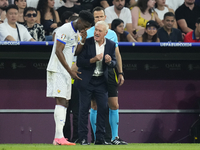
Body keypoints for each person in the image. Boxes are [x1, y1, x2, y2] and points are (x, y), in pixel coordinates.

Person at [46, 10, 94, 145]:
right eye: (85, 25)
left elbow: (75, 52)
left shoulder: (76, 32)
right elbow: (58, 50)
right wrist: (69, 70)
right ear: (79, 21)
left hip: (66, 72)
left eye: (88, 26)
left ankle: (59, 137)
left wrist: (82, 41)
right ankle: (58, 137)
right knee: (61, 101)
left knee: (65, 102)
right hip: (58, 70)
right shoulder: (65, 29)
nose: (86, 28)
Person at [85, 6, 127, 145]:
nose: (98, 19)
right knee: (95, 106)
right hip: (93, 73)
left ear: (105, 17)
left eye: (100, 16)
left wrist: (120, 72)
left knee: (114, 104)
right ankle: (99, 138)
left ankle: (114, 137)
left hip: (109, 72)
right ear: (93, 19)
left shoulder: (112, 34)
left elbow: (117, 54)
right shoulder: (88, 33)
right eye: (96, 17)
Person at [75, 20, 116, 145]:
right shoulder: (86, 43)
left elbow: (114, 62)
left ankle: (100, 138)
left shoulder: (111, 44)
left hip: (101, 82)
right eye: (95, 30)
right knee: (83, 109)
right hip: (87, 81)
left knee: (103, 109)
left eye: (99, 31)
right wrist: (93, 59)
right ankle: (82, 138)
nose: (96, 33)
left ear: (105, 33)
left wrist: (109, 62)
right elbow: (79, 62)